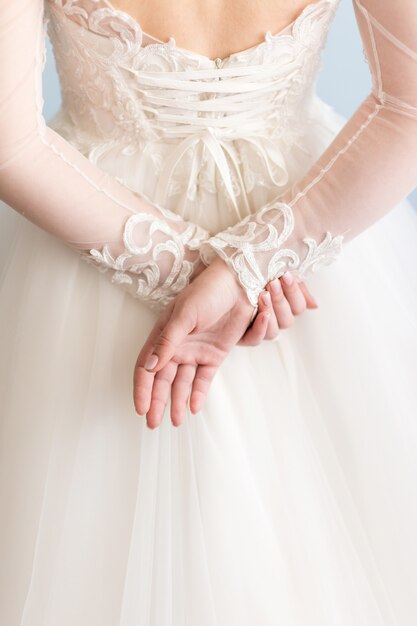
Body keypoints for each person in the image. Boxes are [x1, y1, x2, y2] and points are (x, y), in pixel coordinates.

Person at [0, 0, 416, 623]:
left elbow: (11, 146)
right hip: (308, 242)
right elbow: (407, 109)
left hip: (96, 227)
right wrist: (252, 268)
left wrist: (196, 272)